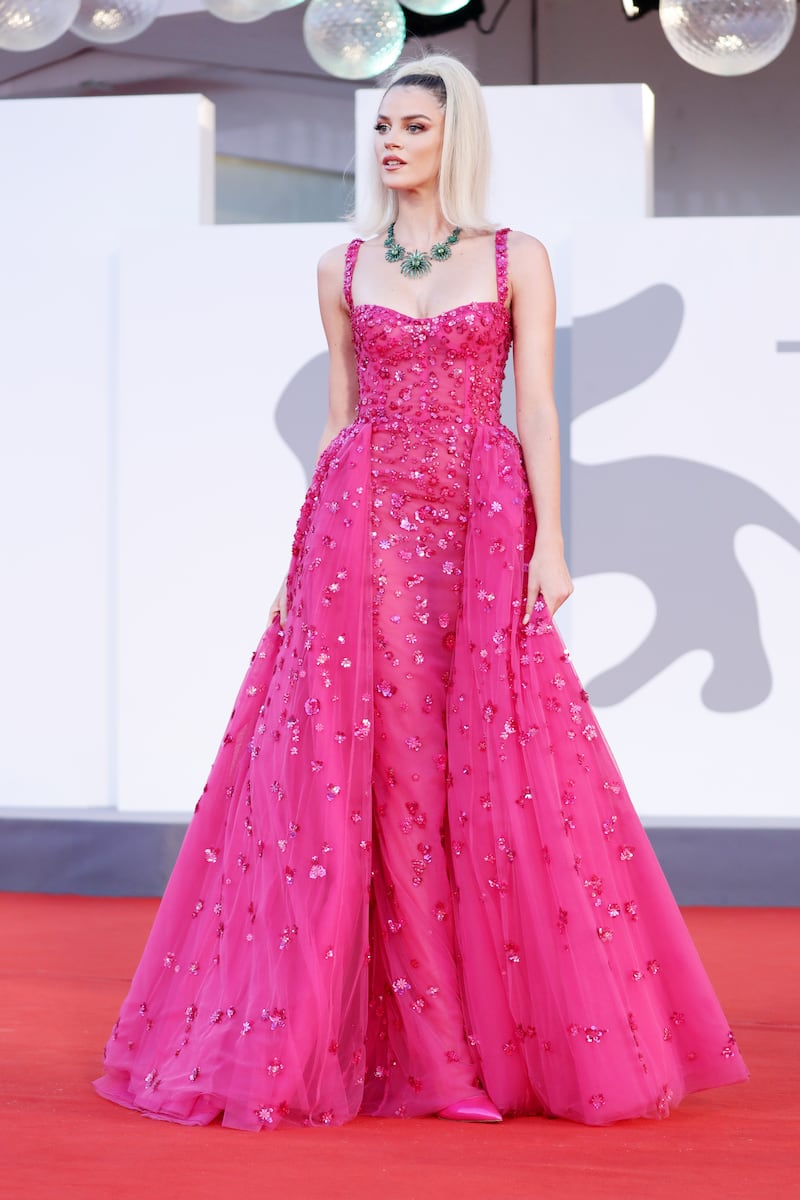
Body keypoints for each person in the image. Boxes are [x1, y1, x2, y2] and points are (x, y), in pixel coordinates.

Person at [94, 53, 747, 1131]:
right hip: (362, 519)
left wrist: (551, 537)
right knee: (378, 757)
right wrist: (294, 558)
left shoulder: (514, 257)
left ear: (455, 139)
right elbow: (339, 414)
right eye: (382, 126)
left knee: (491, 754)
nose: (390, 141)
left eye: (412, 125)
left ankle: (490, 1040)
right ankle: (418, 1050)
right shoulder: (338, 266)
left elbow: (535, 404)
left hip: (482, 513)